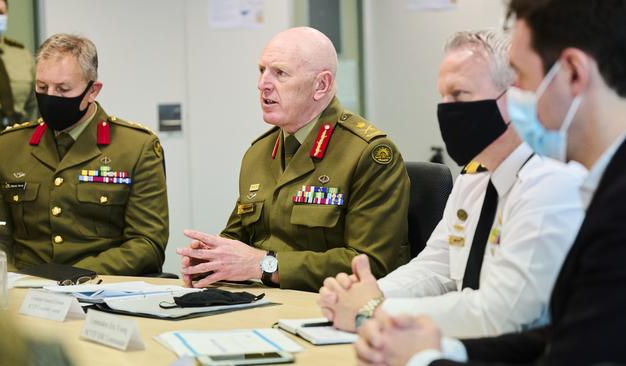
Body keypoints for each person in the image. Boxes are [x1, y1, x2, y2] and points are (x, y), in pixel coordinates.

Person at [354, 0, 626, 365]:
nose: (518, 98)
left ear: (574, 73)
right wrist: (445, 349)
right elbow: (558, 336)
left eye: (523, 80)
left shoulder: (586, 194)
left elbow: (527, 325)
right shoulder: (601, 185)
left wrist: (412, 346)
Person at [318, 30, 586, 337]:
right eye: (442, 96)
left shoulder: (548, 181)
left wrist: (376, 309)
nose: (446, 109)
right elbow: (435, 267)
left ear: (512, 96)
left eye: (459, 95)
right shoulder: (473, 179)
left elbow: (501, 314)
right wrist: (363, 294)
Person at [177, 27, 410, 292]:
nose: (262, 83)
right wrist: (211, 257)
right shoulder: (259, 152)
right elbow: (239, 235)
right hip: (261, 304)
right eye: (262, 70)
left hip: (328, 310)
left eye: (280, 73)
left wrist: (264, 265)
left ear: (321, 85)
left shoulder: (368, 153)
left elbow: (372, 264)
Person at [0, 33, 168, 274]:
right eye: (42, 87)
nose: (50, 97)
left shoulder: (136, 148)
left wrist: (74, 276)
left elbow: (147, 243)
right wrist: (9, 285)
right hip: (25, 291)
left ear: (93, 91)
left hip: (101, 289)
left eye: (63, 89)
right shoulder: (7, 146)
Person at [0, 0, 36, 210]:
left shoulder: (22, 55)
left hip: (18, 142)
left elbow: (32, 103)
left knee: (20, 205)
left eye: (0, 12)